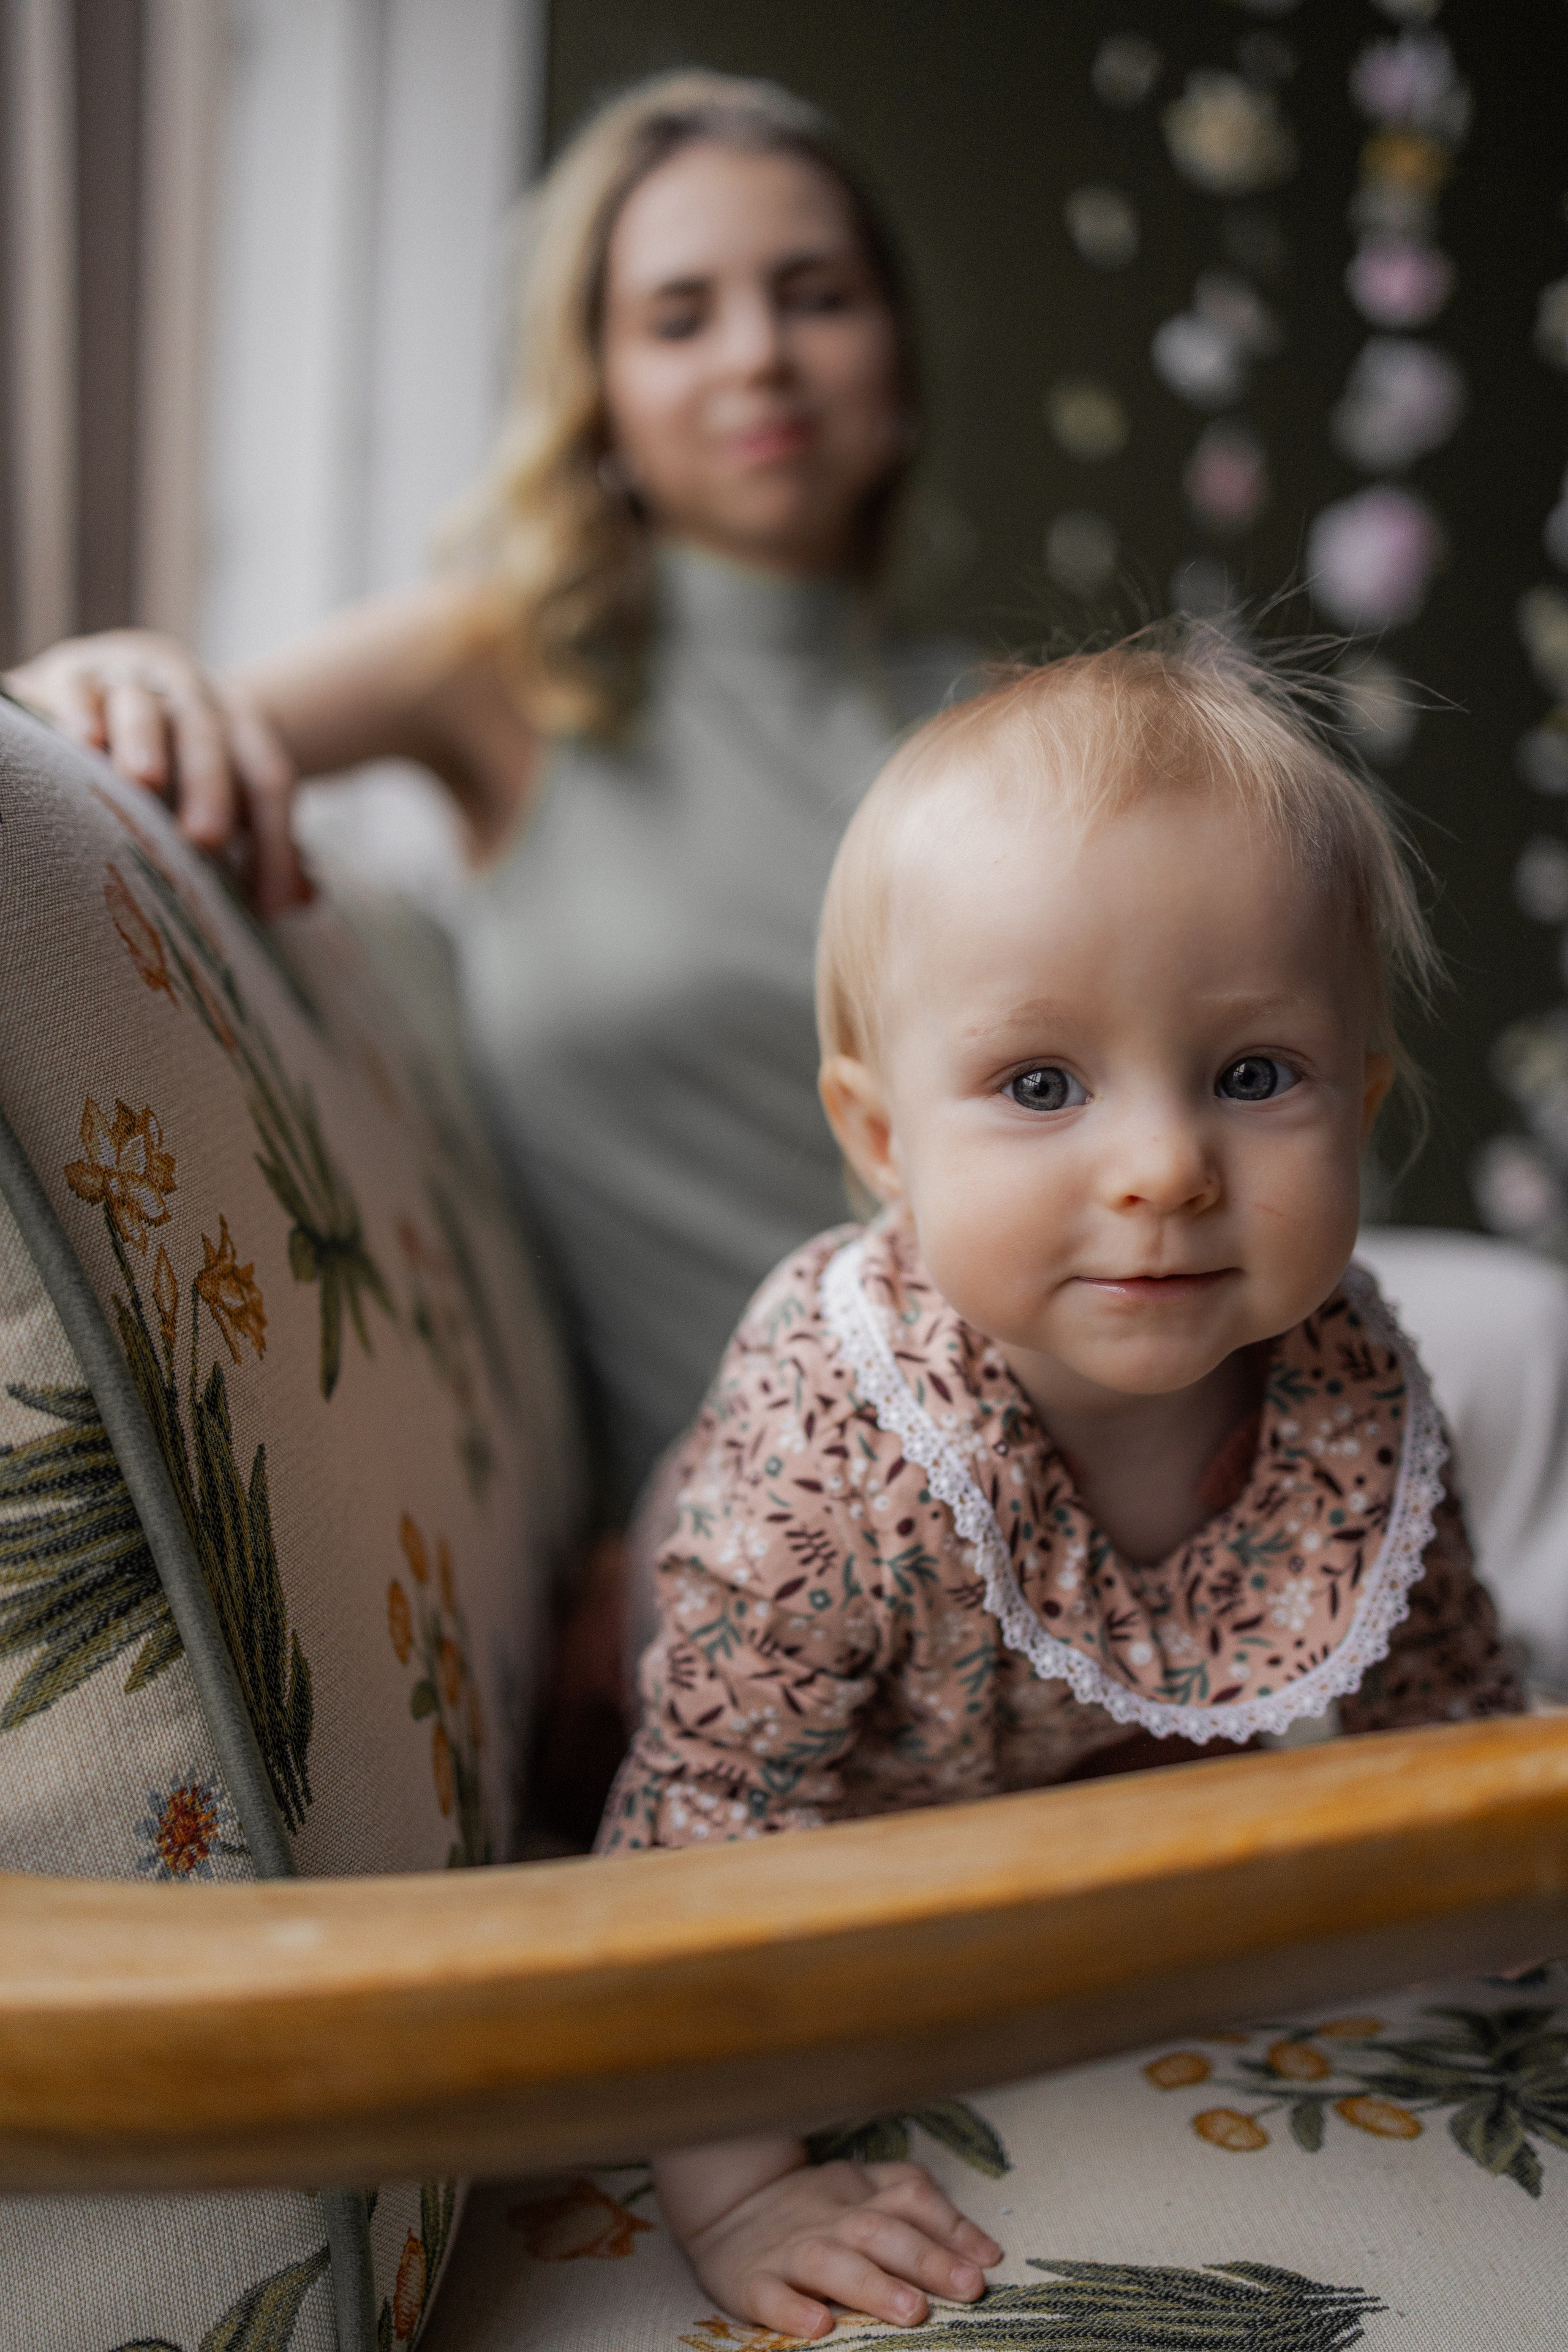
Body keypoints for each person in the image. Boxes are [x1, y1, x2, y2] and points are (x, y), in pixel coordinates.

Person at [596, 631, 1521, 2338]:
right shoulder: (831, 1434)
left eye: (1255, 1076)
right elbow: (705, 1816)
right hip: (756, 1672)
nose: (1165, 1167)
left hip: (1054, 1781)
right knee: (636, 1666)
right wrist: (737, 2190)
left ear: (1364, 1100)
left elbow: (1450, 1719)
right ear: (883, 1140)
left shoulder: (1353, 1395)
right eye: (1041, 1085)